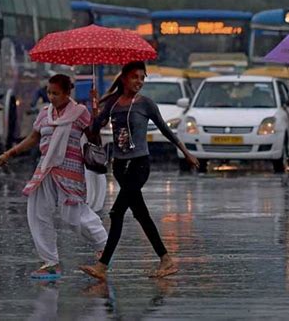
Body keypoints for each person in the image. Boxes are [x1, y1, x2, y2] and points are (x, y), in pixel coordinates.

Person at [79, 61, 199, 280]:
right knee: (141, 215)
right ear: (124, 78)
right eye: (135, 77)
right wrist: (95, 109)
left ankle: (102, 266)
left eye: (142, 78)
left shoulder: (146, 104)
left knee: (116, 213)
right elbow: (93, 131)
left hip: (139, 165)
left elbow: (166, 129)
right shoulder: (113, 103)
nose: (139, 82)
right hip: (119, 166)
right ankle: (166, 260)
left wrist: (187, 153)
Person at [0, 74, 108, 279]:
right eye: (49, 92)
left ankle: (105, 247)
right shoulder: (45, 113)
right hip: (45, 168)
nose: (51, 97)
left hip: (69, 170)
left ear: (67, 93)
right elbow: (34, 137)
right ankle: (50, 263)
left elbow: (93, 138)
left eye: (56, 93)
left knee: (73, 216)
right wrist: (10, 153)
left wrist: (95, 119)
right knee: (37, 212)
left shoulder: (80, 112)